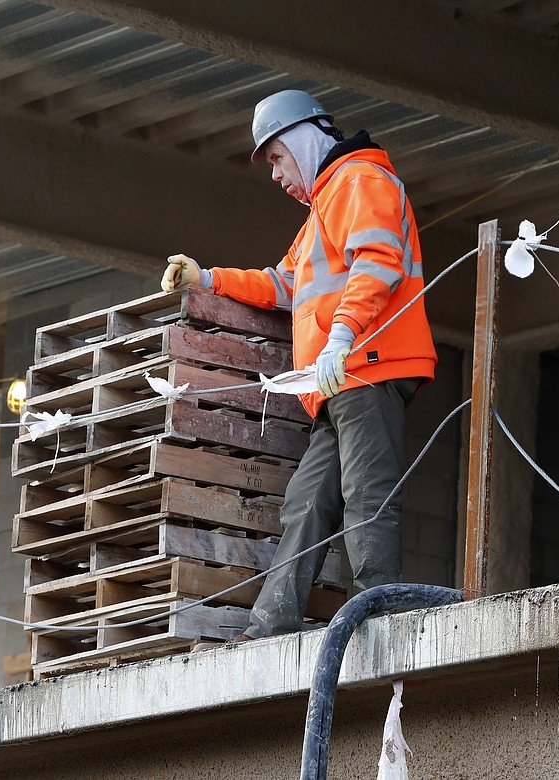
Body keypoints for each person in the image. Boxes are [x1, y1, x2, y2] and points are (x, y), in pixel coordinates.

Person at [161, 89, 436, 640]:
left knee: (366, 492)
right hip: (338, 379)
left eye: (278, 159)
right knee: (306, 502)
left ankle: (377, 617)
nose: (276, 176)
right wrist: (208, 279)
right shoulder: (324, 209)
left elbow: (378, 261)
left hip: (365, 368)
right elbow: (282, 283)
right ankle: (269, 626)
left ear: (302, 140)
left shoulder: (360, 181)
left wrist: (340, 338)